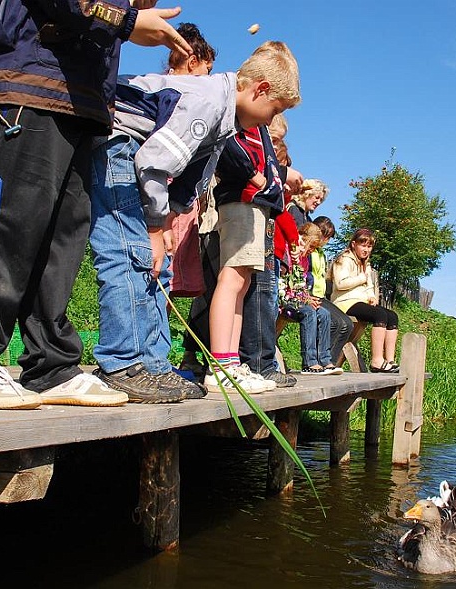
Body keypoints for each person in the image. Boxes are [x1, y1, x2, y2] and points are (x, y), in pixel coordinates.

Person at [0, 0, 191, 410]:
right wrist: (124, 19)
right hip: (25, 83)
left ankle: (50, 367)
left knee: (62, 240)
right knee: (4, 226)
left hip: (80, 101)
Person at [89, 40, 302, 400]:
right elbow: (153, 164)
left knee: (160, 267)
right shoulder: (207, 101)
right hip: (118, 141)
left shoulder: (226, 120)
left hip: (140, 155)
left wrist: (169, 220)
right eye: (274, 109)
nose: (269, 120)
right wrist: (156, 228)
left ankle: (153, 364)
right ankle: (122, 361)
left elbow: (193, 176)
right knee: (131, 252)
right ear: (260, 89)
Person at [204, 42, 302, 394]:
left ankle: (231, 362)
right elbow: (226, 145)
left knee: (242, 282)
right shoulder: (233, 110)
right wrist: (251, 173)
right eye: (274, 109)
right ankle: (220, 365)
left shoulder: (255, 118)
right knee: (231, 280)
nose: (271, 119)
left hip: (257, 206)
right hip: (240, 203)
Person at [236, 113, 298, 387]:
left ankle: (261, 361)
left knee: (264, 294)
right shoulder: (248, 143)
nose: (274, 146)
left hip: (263, 219)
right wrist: (281, 175)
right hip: (249, 215)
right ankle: (259, 363)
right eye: (273, 140)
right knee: (259, 292)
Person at [166, 23, 217, 301]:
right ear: (193, 61)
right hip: (168, 189)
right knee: (160, 259)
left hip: (183, 195)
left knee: (170, 266)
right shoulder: (175, 93)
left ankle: (157, 330)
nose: (209, 78)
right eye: (206, 70)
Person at [330, 228, 400, 373]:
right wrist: (361, 278)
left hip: (360, 301)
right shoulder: (344, 259)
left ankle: (390, 360)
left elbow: (369, 286)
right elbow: (340, 284)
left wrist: (371, 296)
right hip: (345, 301)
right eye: (363, 245)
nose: (366, 249)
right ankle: (376, 360)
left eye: (369, 246)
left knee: (392, 316)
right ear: (354, 244)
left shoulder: (365, 264)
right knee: (379, 316)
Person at [280, 222, 340, 375]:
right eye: (311, 246)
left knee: (324, 313)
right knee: (309, 312)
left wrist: (308, 298)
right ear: (303, 239)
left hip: (300, 298)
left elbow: (302, 286)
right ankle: (309, 361)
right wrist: (305, 300)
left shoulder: (305, 260)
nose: (311, 251)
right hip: (286, 299)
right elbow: (287, 283)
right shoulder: (290, 253)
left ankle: (325, 359)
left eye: (315, 248)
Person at [310, 216, 353, 367]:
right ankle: (320, 359)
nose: (325, 241)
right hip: (310, 295)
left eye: (328, 238)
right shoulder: (309, 252)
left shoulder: (321, 254)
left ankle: (330, 361)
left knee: (347, 324)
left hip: (321, 296)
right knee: (334, 322)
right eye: (324, 236)